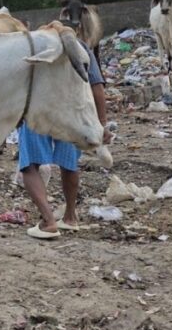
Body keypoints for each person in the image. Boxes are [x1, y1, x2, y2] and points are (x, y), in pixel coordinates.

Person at [19, 42, 110, 239]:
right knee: (70, 164)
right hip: (71, 114)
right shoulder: (81, 47)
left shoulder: (35, 44)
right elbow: (96, 86)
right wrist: (102, 124)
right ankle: (70, 218)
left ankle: (48, 221)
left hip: (40, 110)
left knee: (29, 165)